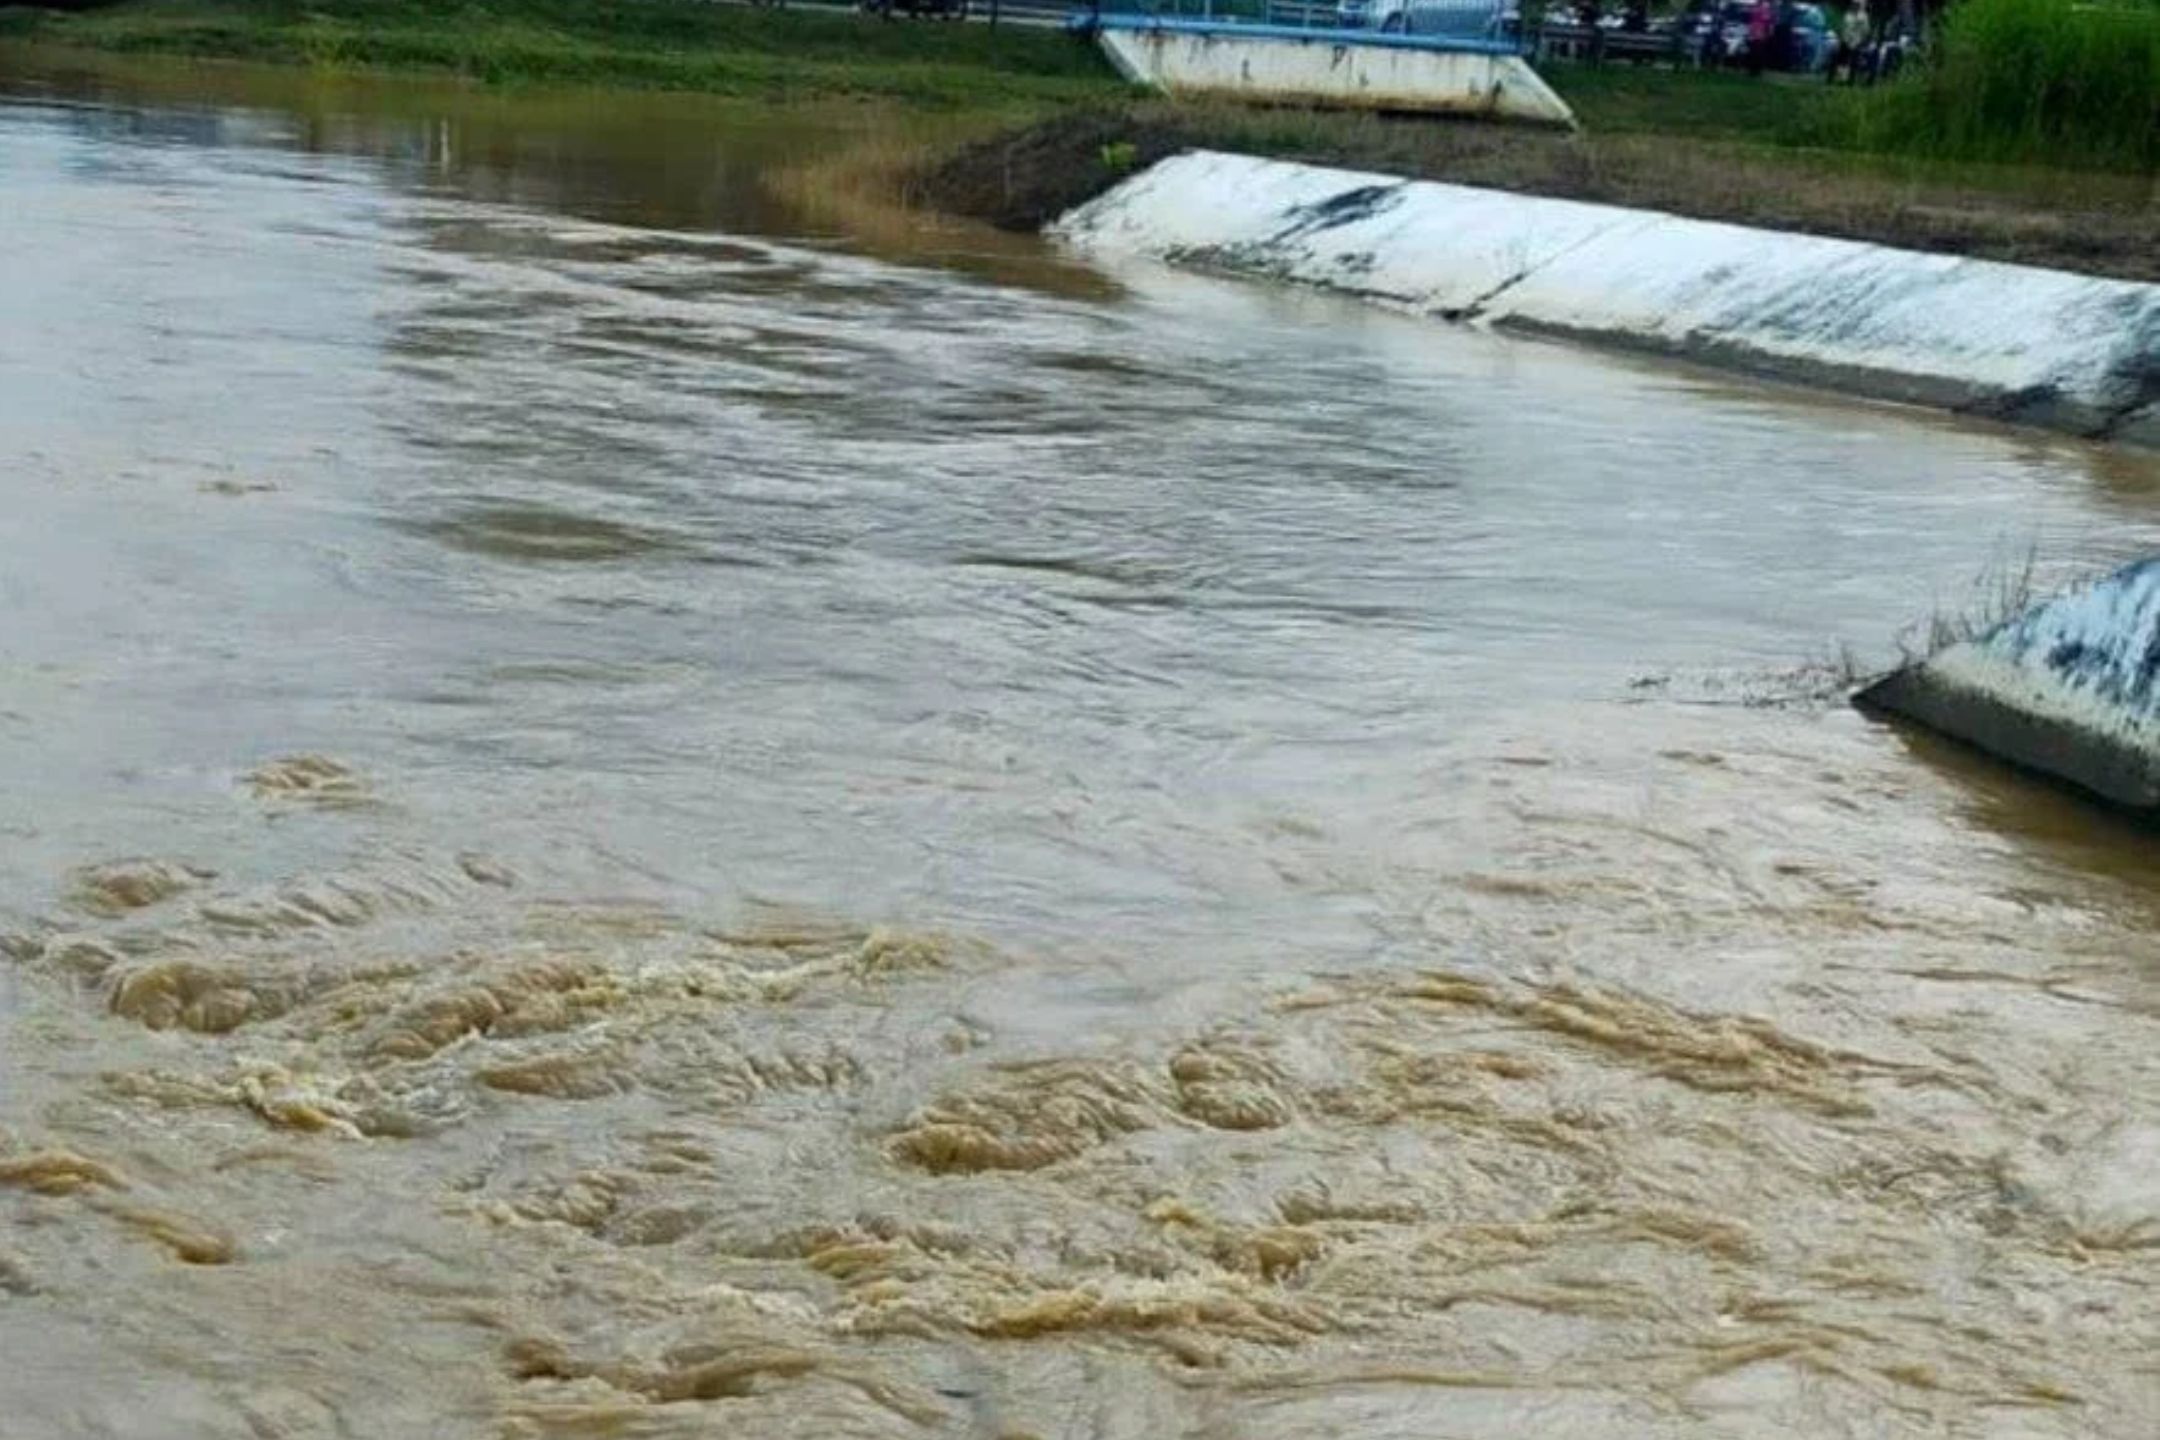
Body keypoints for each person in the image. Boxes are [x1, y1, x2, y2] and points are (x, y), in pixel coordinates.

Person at [1746, 0, 1775, 73]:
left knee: (1756, 51)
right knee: (1757, 51)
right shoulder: (1763, 10)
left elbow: (1768, 22)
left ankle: (1754, 69)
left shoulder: (1757, 10)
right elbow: (1769, 22)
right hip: (1758, 32)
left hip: (1758, 32)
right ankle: (1755, 69)